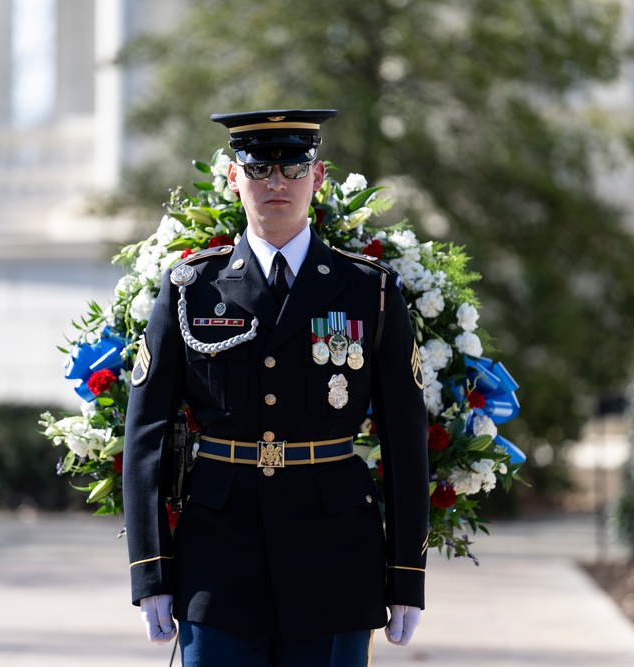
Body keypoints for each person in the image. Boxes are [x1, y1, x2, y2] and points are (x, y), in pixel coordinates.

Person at [123, 109, 429, 667]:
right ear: (234, 179)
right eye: (259, 168)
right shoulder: (191, 288)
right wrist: (151, 570)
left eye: (293, 167)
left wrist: (406, 574)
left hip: (334, 559)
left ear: (318, 179)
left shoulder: (370, 291)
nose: (276, 183)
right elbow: (145, 434)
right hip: (218, 559)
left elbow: (406, 441)